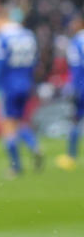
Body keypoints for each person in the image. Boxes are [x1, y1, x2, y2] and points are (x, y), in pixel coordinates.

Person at [0, 2, 43, 178]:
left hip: (8, 84)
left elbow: (0, 64)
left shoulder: (0, 37)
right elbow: (35, 60)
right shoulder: (28, 34)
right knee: (17, 120)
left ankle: (16, 167)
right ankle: (33, 145)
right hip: (26, 82)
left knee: (7, 124)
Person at [56, 14, 84, 171]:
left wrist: (72, 87)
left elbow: (76, 67)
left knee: (75, 120)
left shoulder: (76, 43)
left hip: (81, 86)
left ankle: (71, 157)